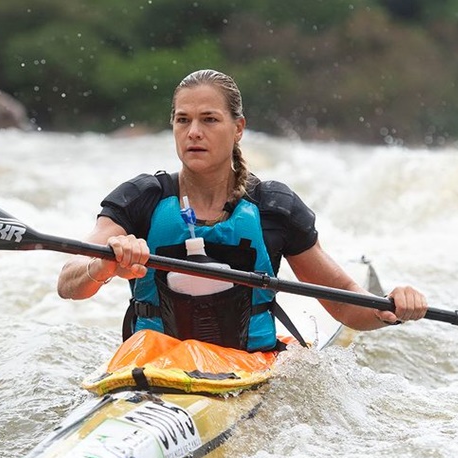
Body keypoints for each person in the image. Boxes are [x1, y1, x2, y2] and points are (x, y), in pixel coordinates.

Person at [57, 69, 427, 352]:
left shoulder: (273, 208)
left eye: (209, 119)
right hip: (156, 368)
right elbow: (69, 282)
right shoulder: (141, 198)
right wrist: (103, 265)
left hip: (247, 369)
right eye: (182, 120)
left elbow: (345, 303)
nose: (193, 132)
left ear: (238, 129)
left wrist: (388, 310)